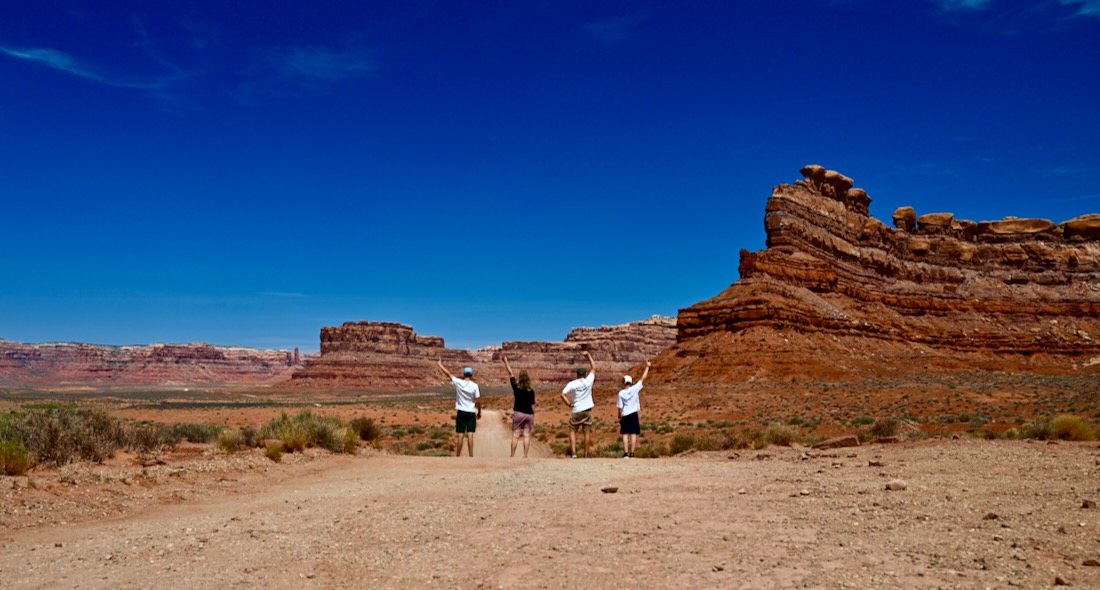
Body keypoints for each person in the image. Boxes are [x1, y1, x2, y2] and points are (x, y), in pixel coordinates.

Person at [436, 359, 481, 457]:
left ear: (464, 374)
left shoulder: (458, 382)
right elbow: (478, 400)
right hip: (471, 412)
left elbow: (448, 374)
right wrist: (479, 412)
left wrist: (440, 364)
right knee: (470, 434)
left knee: (460, 434)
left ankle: (458, 456)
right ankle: (471, 456)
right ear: (471, 375)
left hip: (461, 412)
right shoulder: (475, 386)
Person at [560, 351, 596, 458]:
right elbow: (594, 368)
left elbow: (562, 394)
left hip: (576, 410)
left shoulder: (572, 384)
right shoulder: (589, 381)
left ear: (577, 374)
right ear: (584, 374)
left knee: (572, 430)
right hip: (587, 410)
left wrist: (569, 404)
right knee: (586, 432)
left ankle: (574, 454)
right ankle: (586, 455)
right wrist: (588, 356)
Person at [502, 356, 535, 458]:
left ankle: (512, 456)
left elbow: (510, 373)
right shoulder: (531, 391)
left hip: (518, 413)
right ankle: (525, 456)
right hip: (529, 414)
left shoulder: (516, 388)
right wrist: (532, 415)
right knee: (526, 435)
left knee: (515, 435)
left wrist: (505, 361)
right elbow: (532, 404)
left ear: (520, 378)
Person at [617, 360, 650, 458]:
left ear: (624, 383)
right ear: (631, 382)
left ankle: (626, 453)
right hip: (634, 414)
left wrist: (619, 416)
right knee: (633, 433)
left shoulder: (621, 393)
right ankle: (632, 453)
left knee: (625, 434)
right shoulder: (635, 388)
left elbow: (620, 407)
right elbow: (643, 378)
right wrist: (647, 367)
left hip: (625, 415)